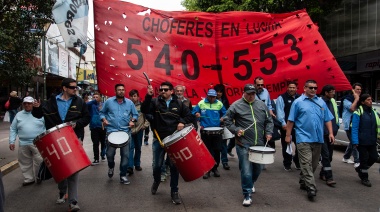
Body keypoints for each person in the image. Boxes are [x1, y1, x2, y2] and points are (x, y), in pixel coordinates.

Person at [32, 78, 90, 211]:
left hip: (74, 139)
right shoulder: (50, 102)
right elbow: (38, 115)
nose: (75, 89)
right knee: (62, 169)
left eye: (76, 88)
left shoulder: (80, 102)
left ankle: (73, 202)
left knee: (74, 169)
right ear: (64, 88)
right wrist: (36, 108)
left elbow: (86, 118)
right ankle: (62, 191)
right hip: (55, 141)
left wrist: (77, 124)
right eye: (72, 87)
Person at [141, 81, 193, 205]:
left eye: (165, 90)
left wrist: (182, 122)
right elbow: (144, 110)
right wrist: (148, 96)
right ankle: (157, 180)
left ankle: (174, 191)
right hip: (159, 140)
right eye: (161, 90)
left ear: (171, 91)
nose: (163, 92)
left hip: (174, 141)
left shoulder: (179, 103)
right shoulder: (154, 101)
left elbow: (189, 116)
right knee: (157, 166)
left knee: (174, 167)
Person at [224, 84, 273, 207]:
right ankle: (247, 194)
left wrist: (268, 132)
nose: (251, 96)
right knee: (246, 171)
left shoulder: (261, 105)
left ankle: (251, 183)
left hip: (259, 143)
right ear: (244, 92)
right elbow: (227, 120)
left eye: (253, 94)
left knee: (259, 168)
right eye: (249, 93)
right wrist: (236, 130)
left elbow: (269, 121)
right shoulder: (236, 105)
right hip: (243, 143)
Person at [285, 79, 334, 201]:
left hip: (318, 138)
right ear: (304, 88)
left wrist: (331, 133)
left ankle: (303, 181)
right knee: (306, 163)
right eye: (310, 87)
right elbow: (291, 120)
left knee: (313, 164)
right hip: (303, 138)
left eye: (315, 88)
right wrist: (288, 135)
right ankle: (311, 187)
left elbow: (327, 119)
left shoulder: (321, 102)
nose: (313, 90)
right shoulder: (298, 102)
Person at [99, 84, 138, 185]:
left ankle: (123, 175)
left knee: (125, 156)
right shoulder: (108, 102)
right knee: (109, 154)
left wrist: (133, 121)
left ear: (124, 91)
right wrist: (104, 119)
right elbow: (102, 113)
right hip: (111, 132)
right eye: (119, 90)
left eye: (122, 90)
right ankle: (111, 166)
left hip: (125, 132)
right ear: (115, 91)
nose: (121, 91)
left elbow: (135, 114)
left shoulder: (129, 103)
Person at [9, 96, 45, 186]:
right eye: (25, 103)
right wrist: (11, 141)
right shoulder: (19, 115)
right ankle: (29, 178)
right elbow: (13, 129)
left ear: (33, 104)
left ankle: (38, 176)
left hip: (38, 142)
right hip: (23, 143)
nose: (27, 105)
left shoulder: (40, 114)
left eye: (29, 103)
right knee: (25, 162)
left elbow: (46, 126)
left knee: (39, 161)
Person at [193, 89, 226, 178]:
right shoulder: (201, 103)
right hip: (205, 130)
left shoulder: (219, 103)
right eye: (210, 96)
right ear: (207, 95)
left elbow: (225, 113)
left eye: (213, 96)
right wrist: (196, 114)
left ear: (216, 96)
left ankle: (215, 168)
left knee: (217, 149)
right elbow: (193, 112)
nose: (211, 98)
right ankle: (207, 170)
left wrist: (223, 117)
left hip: (217, 131)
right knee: (206, 151)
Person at [351, 94, 379, 187]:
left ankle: (360, 169)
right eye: (368, 100)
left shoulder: (374, 112)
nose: (370, 101)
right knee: (364, 159)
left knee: (374, 157)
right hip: (361, 141)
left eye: (371, 99)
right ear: (363, 102)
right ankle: (364, 177)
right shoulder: (358, 112)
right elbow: (354, 128)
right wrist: (355, 141)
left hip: (372, 140)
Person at [276, 81, 301, 171]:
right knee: (287, 146)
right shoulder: (281, 98)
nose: (292, 89)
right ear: (287, 88)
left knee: (300, 146)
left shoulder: (300, 98)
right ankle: (287, 163)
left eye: (293, 87)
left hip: (298, 127)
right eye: (290, 87)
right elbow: (280, 112)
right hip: (286, 126)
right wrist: (283, 124)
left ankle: (297, 161)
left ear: (296, 88)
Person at [319, 85, 339, 187]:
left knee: (329, 156)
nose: (333, 93)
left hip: (331, 133)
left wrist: (335, 128)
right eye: (331, 91)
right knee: (326, 155)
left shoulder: (332, 102)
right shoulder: (320, 102)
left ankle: (323, 172)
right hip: (322, 133)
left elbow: (334, 116)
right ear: (326, 92)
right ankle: (329, 177)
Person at [127, 89, 149, 175]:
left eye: (135, 96)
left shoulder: (142, 106)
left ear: (138, 97)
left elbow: (147, 116)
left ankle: (137, 164)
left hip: (139, 130)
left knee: (138, 148)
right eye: (131, 96)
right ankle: (130, 166)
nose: (133, 98)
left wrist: (145, 125)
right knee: (130, 148)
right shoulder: (127, 106)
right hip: (130, 130)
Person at [341, 83, 362, 167]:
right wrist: (356, 99)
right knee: (354, 142)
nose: (359, 91)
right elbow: (352, 108)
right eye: (357, 89)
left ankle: (346, 157)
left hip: (357, 123)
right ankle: (357, 161)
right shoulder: (347, 99)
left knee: (352, 141)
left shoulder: (360, 99)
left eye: (360, 89)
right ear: (352, 90)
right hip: (349, 123)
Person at [214, 84, 231, 170]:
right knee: (214, 146)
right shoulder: (210, 100)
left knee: (224, 144)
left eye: (220, 92)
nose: (219, 93)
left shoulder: (225, 100)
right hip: (213, 125)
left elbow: (227, 112)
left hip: (223, 125)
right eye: (217, 91)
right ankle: (214, 163)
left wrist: (224, 118)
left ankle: (225, 161)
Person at [86, 92, 106, 165]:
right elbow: (86, 105)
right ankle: (96, 158)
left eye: (97, 97)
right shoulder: (91, 105)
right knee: (95, 143)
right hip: (94, 126)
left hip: (102, 126)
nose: (95, 98)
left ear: (100, 97)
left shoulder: (104, 105)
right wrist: (94, 101)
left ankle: (103, 154)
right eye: (94, 97)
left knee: (103, 142)